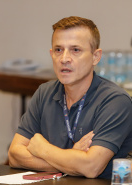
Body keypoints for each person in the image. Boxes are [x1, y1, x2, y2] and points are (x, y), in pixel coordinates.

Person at [8, 16, 132, 179]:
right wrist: (72, 157)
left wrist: (43, 149)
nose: (64, 59)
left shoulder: (115, 100)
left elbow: (91, 167)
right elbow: (14, 155)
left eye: (76, 50)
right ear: (51, 54)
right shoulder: (44, 93)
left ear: (96, 57)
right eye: (58, 50)